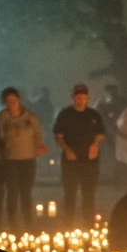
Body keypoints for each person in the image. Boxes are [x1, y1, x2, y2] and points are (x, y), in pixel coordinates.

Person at [52, 84, 106, 225]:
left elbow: (101, 133)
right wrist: (66, 149)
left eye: (83, 96)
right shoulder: (65, 114)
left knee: (89, 194)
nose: (80, 99)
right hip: (70, 161)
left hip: (90, 161)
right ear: (73, 97)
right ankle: (68, 224)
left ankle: (88, 224)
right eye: (77, 96)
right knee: (70, 193)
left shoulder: (94, 114)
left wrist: (95, 144)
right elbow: (58, 135)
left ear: (87, 98)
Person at [0, 88, 46, 228]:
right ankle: (13, 224)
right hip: (10, 160)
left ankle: (29, 223)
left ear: (19, 100)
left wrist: (39, 147)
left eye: (14, 100)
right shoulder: (1, 118)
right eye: (8, 101)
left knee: (26, 192)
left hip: (28, 160)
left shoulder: (30, 117)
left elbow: (38, 135)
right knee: (12, 191)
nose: (11, 103)